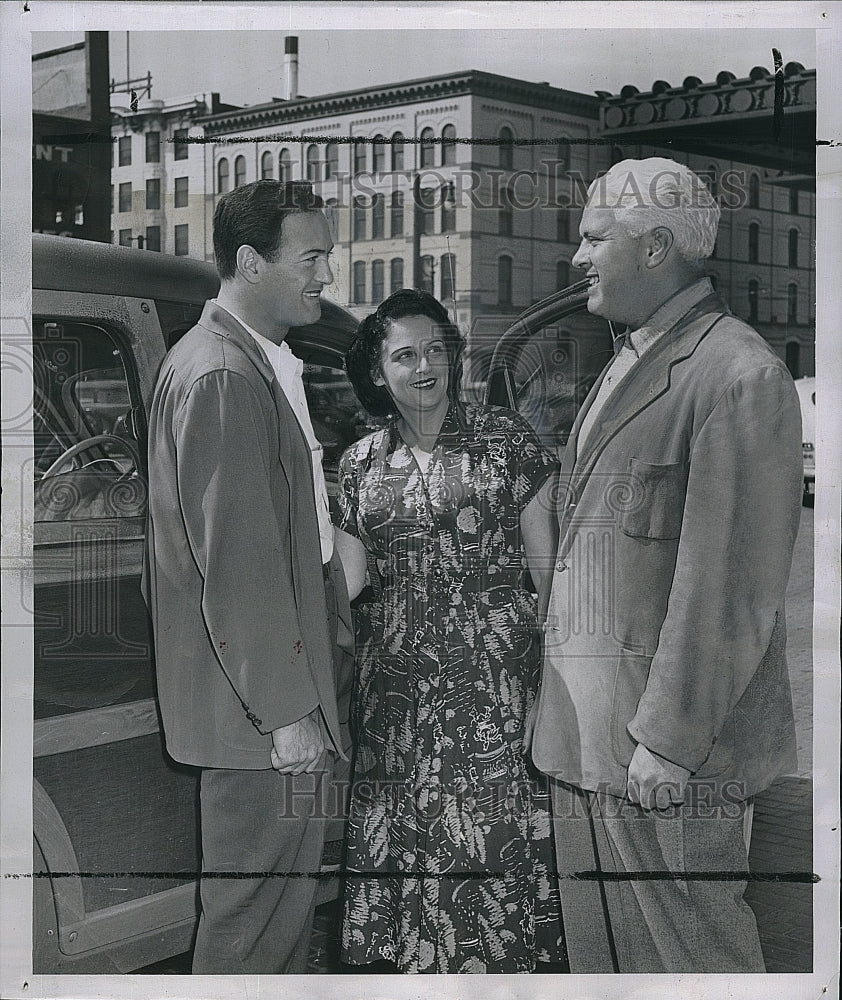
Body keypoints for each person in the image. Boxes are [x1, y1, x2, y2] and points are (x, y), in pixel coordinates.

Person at [528, 157, 803, 973]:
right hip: (587, 741)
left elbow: (728, 588)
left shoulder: (739, 375)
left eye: (593, 237)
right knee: (603, 967)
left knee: (693, 965)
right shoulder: (628, 355)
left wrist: (672, 744)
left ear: (654, 248)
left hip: (664, 755)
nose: (576, 257)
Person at [143, 180, 354, 974]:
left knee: (277, 923)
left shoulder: (246, 361)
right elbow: (238, 570)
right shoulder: (223, 375)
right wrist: (288, 712)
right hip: (264, 720)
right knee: (252, 935)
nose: (327, 276)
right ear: (248, 262)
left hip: (265, 711)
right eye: (312, 257)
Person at [335, 289, 565, 974]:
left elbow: (550, 577)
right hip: (397, 705)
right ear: (378, 372)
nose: (425, 366)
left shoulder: (507, 442)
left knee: (489, 859)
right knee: (409, 856)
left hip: (495, 693)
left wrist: (554, 692)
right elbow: (343, 587)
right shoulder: (360, 465)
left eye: (437, 349)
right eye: (405, 355)